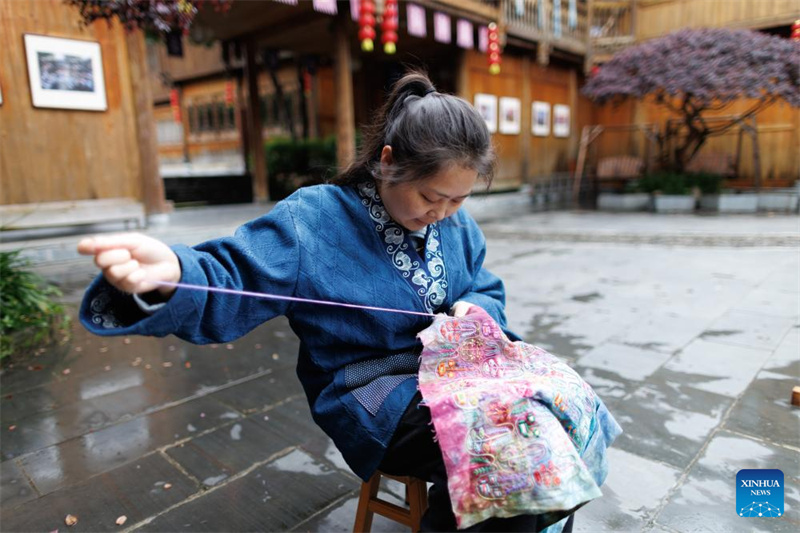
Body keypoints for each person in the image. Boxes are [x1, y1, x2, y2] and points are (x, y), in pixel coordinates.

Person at [78, 71, 574, 532]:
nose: (441, 213)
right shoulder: (313, 220)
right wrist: (174, 276)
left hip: (456, 376)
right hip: (374, 394)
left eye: (457, 200)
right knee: (511, 458)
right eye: (430, 196)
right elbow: (233, 276)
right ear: (387, 162)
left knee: (554, 431)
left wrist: (477, 309)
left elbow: (483, 284)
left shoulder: (454, 224)